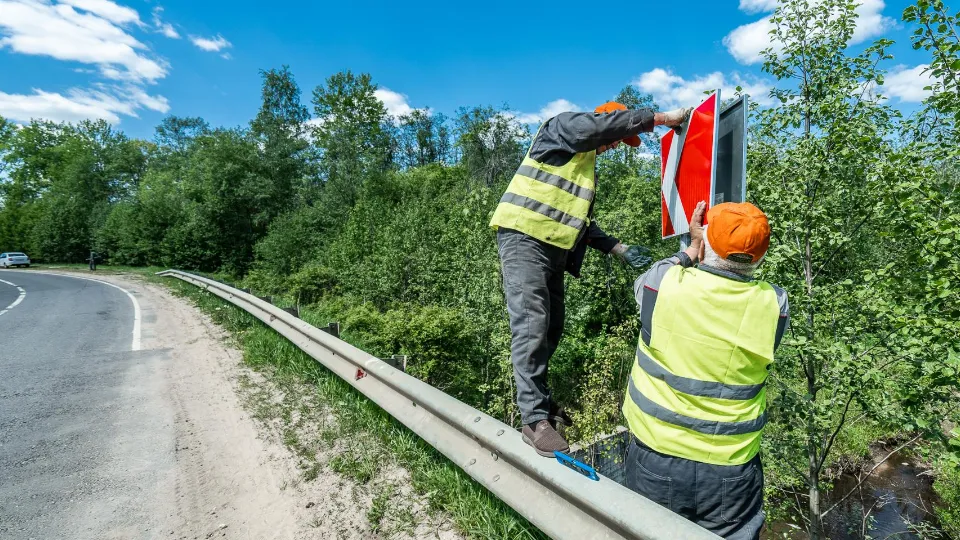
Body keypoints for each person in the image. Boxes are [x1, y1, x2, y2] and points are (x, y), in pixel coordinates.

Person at [490, 101, 692, 456]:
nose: (616, 145)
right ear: (604, 122)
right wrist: (660, 119)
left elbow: (579, 222)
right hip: (524, 238)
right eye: (618, 138)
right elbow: (594, 128)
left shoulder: (585, 171)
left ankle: (542, 401)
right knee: (532, 324)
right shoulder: (561, 130)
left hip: (553, 248)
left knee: (552, 328)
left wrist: (619, 248)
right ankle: (533, 418)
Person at [622, 201, 789, 539]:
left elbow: (655, 275)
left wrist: (693, 247)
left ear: (707, 241)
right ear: (760, 256)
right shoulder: (776, 304)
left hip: (657, 454)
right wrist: (710, 246)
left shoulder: (663, 283)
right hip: (732, 465)